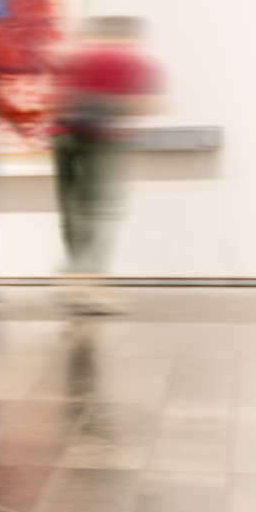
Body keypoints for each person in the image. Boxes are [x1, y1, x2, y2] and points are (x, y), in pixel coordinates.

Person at [53, 16, 162, 314]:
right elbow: (146, 103)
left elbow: (59, 99)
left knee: (74, 214)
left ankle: (77, 280)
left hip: (62, 137)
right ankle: (84, 285)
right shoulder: (129, 60)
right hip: (101, 140)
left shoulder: (78, 57)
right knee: (100, 213)